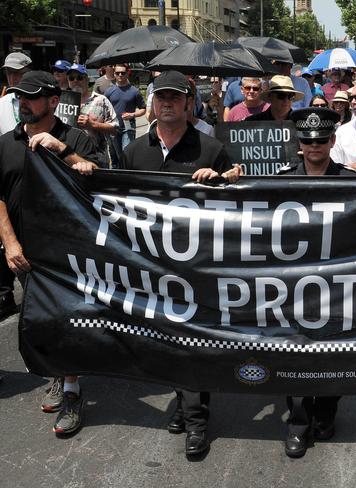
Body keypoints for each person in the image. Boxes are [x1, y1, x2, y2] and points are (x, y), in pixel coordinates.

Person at [118, 71, 239, 456]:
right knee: (166, 343)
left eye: (175, 96)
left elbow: (239, 192)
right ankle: (185, 406)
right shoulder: (135, 150)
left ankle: (196, 420)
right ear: (152, 102)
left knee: (192, 343)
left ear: (189, 102)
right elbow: (116, 199)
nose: (167, 102)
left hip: (197, 267)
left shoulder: (209, 147)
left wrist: (223, 177)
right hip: (151, 266)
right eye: (160, 96)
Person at [0, 71, 100, 436]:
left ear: (53, 102)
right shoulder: (5, 142)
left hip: (67, 251)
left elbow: (101, 180)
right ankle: (60, 374)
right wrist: (10, 243)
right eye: (18, 97)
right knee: (39, 320)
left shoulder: (74, 138)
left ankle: (71, 389)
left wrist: (66, 153)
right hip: (22, 252)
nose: (22, 102)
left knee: (64, 319)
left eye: (30, 97)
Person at [276, 107, 356, 458]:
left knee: (333, 351)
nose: (314, 147)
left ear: (332, 141)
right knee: (294, 351)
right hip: (293, 285)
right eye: (308, 141)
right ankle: (298, 423)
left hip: (337, 285)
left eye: (321, 140)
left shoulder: (350, 180)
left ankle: (325, 411)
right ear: (299, 143)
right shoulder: (280, 180)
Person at [0, 52, 32, 320]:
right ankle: (5, 293)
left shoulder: (38, 103)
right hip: (7, 181)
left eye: (19, 72)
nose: (14, 77)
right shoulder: (0, 107)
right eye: (10, 73)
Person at [67, 63, 118, 168]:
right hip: (69, 158)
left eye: (79, 78)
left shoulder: (101, 100)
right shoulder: (63, 102)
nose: (75, 81)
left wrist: (92, 125)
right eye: (71, 78)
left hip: (97, 159)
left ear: (87, 80)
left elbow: (115, 128)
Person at [104, 64, 146, 151]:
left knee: (127, 153)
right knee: (115, 155)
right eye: (117, 73)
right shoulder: (109, 91)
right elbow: (104, 109)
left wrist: (132, 114)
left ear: (127, 74)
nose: (120, 75)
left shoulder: (134, 91)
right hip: (113, 127)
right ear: (114, 74)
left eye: (122, 73)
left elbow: (143, 109)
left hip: (128, 127)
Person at [0, 52, 32, 135]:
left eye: (17, 72)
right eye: (9, 73)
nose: (12, 78)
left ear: (29, 72)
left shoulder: (42, 100)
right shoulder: (1, 104)